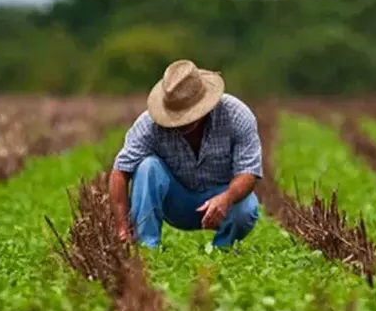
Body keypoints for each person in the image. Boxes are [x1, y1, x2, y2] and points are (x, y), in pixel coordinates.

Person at [108, 59, 262, 249]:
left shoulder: (237, 115)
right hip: (176, 202)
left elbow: (249, 172)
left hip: (222, 198)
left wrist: (227, 198)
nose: (181, 123)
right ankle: (146, 248)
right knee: (147, 167)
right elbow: (119, 172)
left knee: (246, 208)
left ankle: (223, 250)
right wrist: (122, 228)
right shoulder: (149, 125)